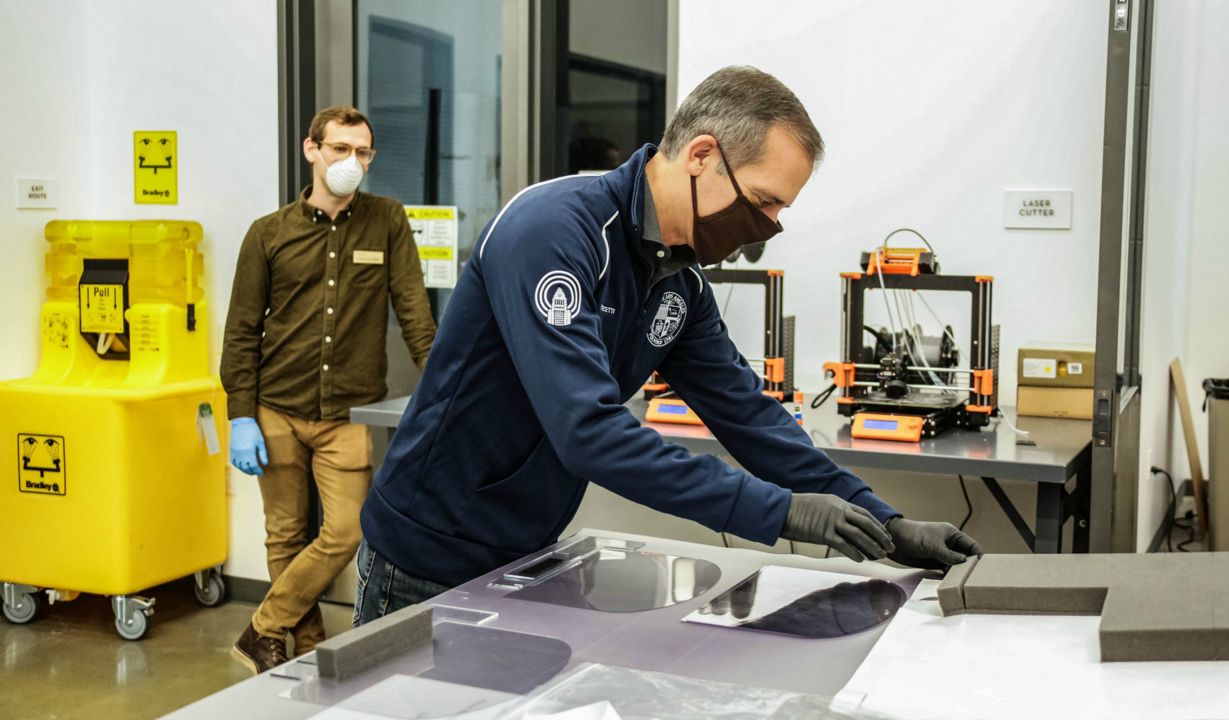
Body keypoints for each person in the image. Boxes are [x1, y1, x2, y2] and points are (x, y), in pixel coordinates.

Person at [355, 67, 980, 623]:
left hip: (526, 549)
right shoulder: (552, 232)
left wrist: (886, 523)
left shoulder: (677, 281)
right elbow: (589, 433)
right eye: (762, 201)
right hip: (426, 556)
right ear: (703, 155)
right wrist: (782, 512)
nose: (763, 229)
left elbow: (751, 417)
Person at [221, 106, 436, 672]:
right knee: (285, 532)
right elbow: (241, 330)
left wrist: (444, 384)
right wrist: (239, 414)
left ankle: (263, 626)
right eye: (340, 149)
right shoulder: (268, 233)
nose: (352, 163)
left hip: (348, 413)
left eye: (363, 152)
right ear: (311, 149)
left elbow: (414, 312)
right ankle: (305, 645)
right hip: (276, 408)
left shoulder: (386, 221)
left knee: (346, 530)